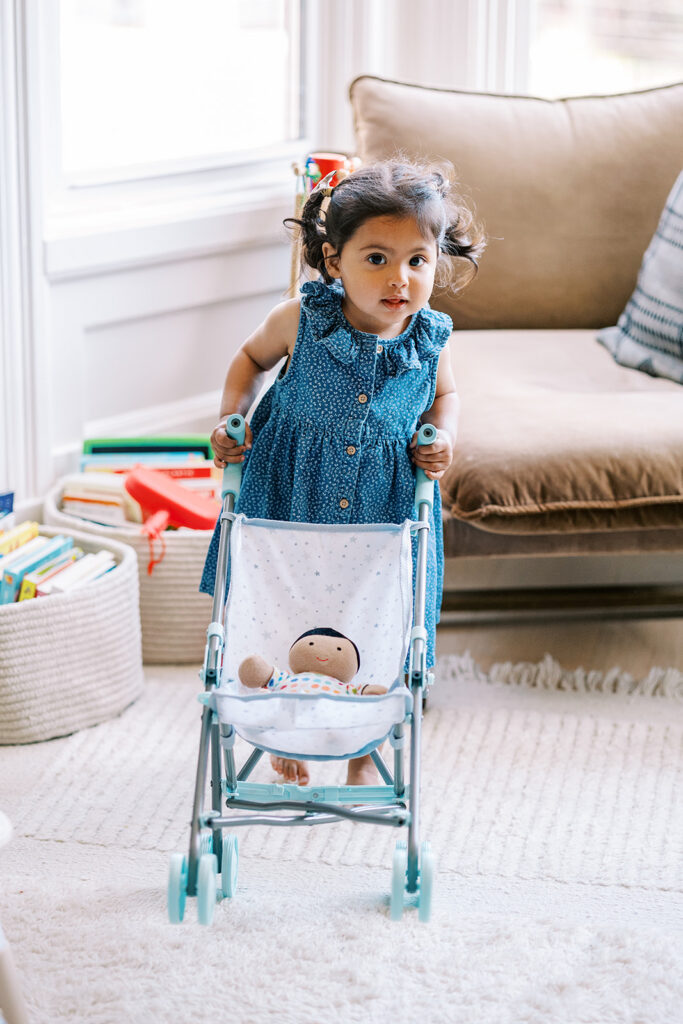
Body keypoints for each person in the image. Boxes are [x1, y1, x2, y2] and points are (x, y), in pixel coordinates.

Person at [200, 159, 485, 786]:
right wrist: (230, 417)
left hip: (384, 506)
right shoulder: (302, 318)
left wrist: (442, 437)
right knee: (287, 605)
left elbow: (446, 397)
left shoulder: (430, 340)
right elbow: (249, 359)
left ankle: (364, 747)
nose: (399, 278)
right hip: (290, 490)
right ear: (334, 261)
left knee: (374, 618)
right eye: (376, 259)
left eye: (417, 260)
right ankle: (285, 728)